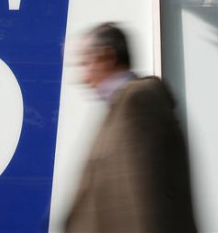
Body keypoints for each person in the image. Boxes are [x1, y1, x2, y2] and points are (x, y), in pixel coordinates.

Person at [65, 23, 197, 233]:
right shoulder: (121, 106)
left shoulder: (138, 101)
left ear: (107, 56)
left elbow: (143, 200)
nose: (83, 78)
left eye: (85, 63)